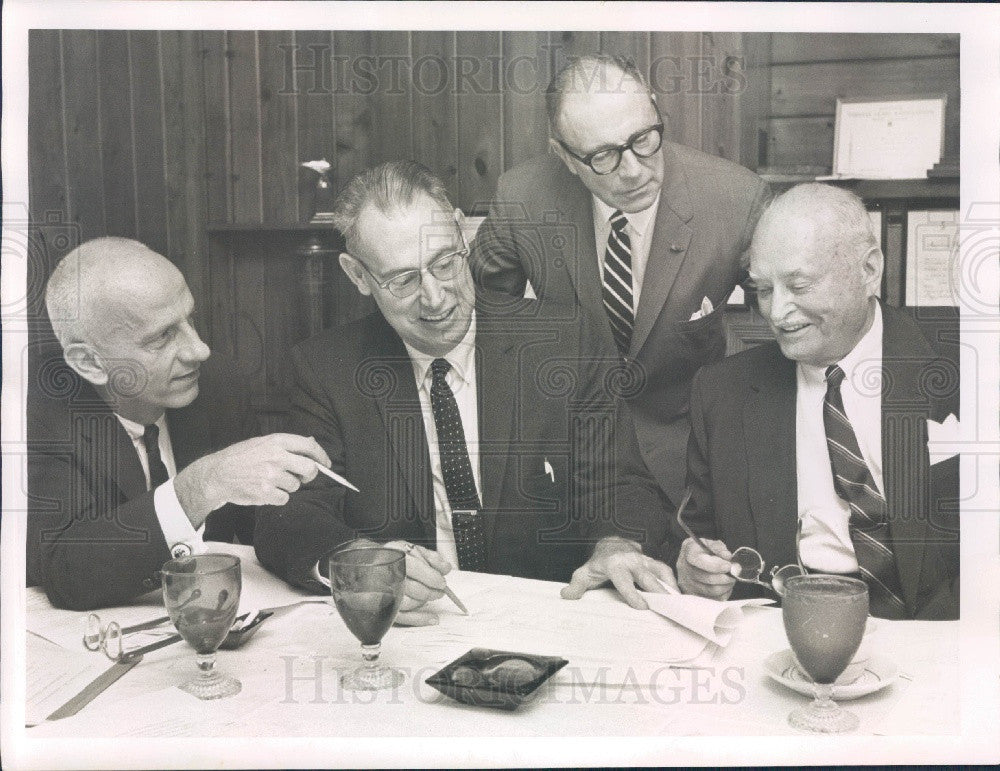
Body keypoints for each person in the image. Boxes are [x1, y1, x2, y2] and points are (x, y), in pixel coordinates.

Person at [254, 161, 677, 625]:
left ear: (462, 234)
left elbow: (620, 483)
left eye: (444, 263)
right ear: (357, 275)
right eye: (403, 280)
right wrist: (356, 561)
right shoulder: (326, 370)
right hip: (412, 628)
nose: (435, 297)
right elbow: (286, 515)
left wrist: (616, 545)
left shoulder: (564, 344)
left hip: (548, 620)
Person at [470, 53, 770, 511]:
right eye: (603, 156)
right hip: (567, 459)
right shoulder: (522, 198)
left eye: (644, 139)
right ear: (564, 157)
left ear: (655, 110)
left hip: (691, 456)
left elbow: (793, 317)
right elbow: (474, 316)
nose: (632, 170)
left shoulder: (734, 198)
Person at [673, 183, 959, 620]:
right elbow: (699, 533)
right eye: (764, 289)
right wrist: (696, 567)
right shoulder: (721, 394)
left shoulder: (969, 373)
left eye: (799, 284)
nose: (778, 311)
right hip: (784, 632)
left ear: (868, 269)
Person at [29, 238, 332, 610]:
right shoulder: (33, 413)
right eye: (162, 336)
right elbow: (64, 570)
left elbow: (271, 518)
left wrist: (343, 560)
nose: (198, 350)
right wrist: (201, 486)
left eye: (189, 319)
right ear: (89, 363)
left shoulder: (218, 382)